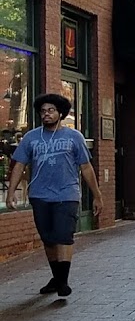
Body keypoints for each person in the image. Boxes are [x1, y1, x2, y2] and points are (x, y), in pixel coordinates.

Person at [4, 93, 103, 298]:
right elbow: (19, 164)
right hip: (40, 195)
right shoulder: (31, 137)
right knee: (48, 238)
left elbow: (86, 167)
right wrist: (11, 192)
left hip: (67, 194)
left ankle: (63, 282)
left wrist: (97, 195)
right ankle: (56, 279)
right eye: (43, 111)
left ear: (60, 113)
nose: (46, 114)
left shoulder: (74, 137)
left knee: (63, 235)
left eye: (50, 110)